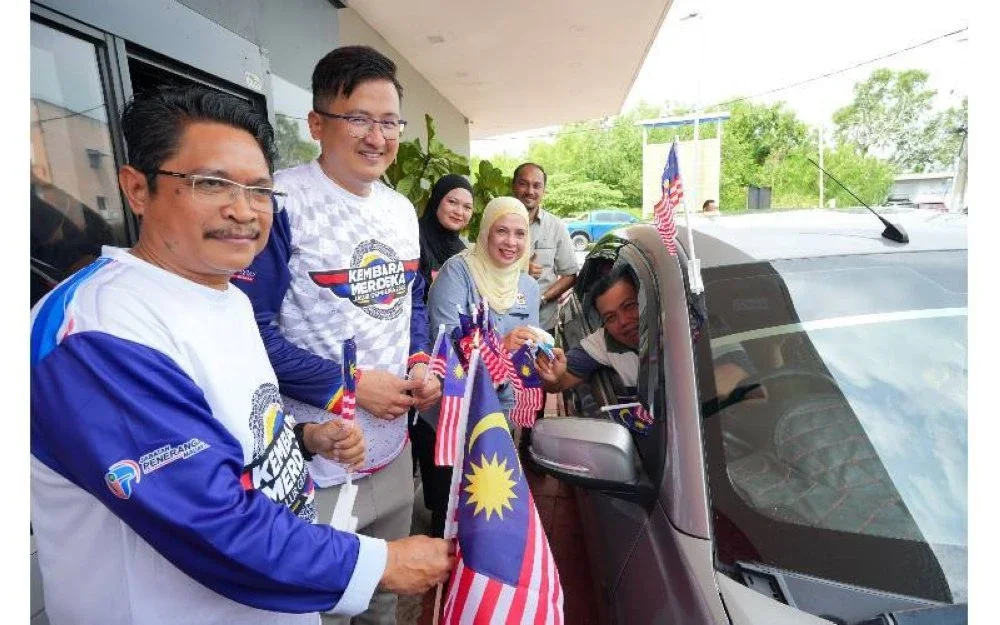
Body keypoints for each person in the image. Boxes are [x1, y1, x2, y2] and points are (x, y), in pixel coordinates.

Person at [30, 86, 453, 625]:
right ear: (138, 188)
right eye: (210, 183)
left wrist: (301, 438)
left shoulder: (223, 293)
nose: (242, 210)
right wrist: (380, 564)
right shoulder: (96, 332)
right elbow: (210, 522)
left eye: (258, 190)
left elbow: (227, 432)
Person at [232, 46, 442, 625]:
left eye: (390, 122)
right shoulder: (278, 204)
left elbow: (413, 298)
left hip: (394, 457)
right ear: (318, 123)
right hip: (316, 463)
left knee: (383, 602)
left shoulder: (401, 210)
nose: (378, 137)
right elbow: (246, 329)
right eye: (359, 119)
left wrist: (420, 363)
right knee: (318, 610)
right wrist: (343, 386)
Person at [421, 196, 540, 536]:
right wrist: (499, 347)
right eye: (501, 231)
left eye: (519, 233)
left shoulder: (528, 287)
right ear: (486, 231)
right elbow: (446, 347)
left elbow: (525, 350)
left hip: (497, 412)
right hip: (454, 412)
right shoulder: (459, 272)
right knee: (449, 507)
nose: (511, 242)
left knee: (485, 501)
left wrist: (542, 357)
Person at [537, 265, 753, 397]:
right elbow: (560, 381)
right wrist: (552, 378)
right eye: (610, 317)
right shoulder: (604, 340)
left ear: (650, 300)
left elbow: (741, 385)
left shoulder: (699, 324)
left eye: (630, 305)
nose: (623, 321)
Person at [410, 173, 474, 537]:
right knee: (423, 437)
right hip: (416, 354)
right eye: (452, 201)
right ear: (436, 200)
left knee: (441, 444)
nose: (459, 211)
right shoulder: (415, 239)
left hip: (451, 363)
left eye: (467, 206)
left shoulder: (464, 251)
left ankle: (440, 518)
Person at [511, 162, 578, 455]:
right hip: (505, 323)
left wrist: (541, 298)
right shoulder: (500, 220)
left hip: (542, 323)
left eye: (536, 186)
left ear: (544, 191)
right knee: (503, 381)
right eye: (524, 184)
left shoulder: (555, 228)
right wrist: (518, 268)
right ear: (514, 185)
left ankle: (530, 444)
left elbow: (570, 274)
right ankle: (501, 439)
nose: (530, 191)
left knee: (535, 383)